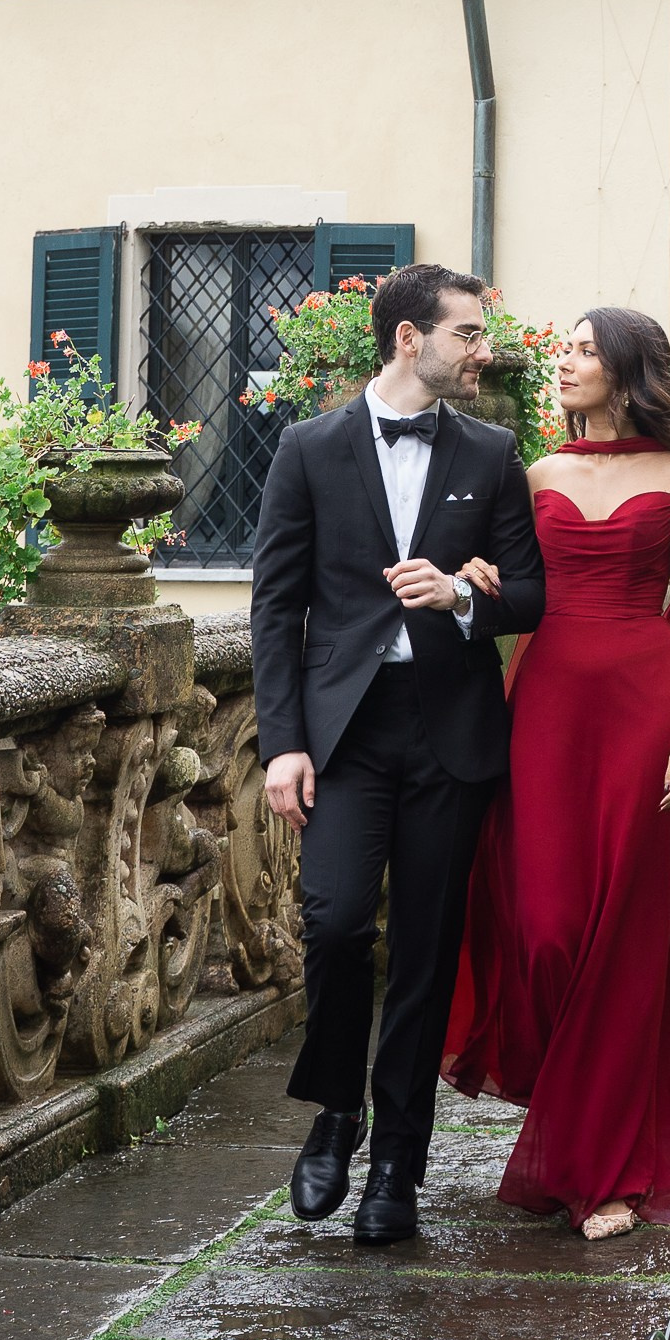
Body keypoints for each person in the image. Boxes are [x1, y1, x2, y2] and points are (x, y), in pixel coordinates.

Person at [250, 262, 545, 1244]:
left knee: (424, 952)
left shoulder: (494, 451)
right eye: (466, 332)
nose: (481, 350)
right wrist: (283, 745)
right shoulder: (308, 448)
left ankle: (398, 1174)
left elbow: (531, 597)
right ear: (408, 338)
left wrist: (463, 598)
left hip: (449, 733)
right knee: (334, 925)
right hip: (346, 733)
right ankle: (337, 1111)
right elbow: (274, 609)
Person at [445, 305, 670, 1240]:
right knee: (542, 927)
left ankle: (611, 1172)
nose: (565, 362)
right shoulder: (535, 472)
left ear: (625, 372)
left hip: (645, 710)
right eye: (567, 349)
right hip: (545, 711)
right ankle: (576, 1118)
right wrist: (478, 575)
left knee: (625, 933)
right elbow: (518, 589)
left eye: (581, 350)